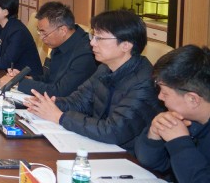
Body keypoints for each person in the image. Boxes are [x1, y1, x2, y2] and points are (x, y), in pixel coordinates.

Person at [25, 10, 159, 150]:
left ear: (126, 45)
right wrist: (48, 104)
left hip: (126, 155)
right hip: (99, 144)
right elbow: (78, 102)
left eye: (99, 38)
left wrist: (60, 117)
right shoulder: (105, 68)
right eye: (93, 36)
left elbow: (112, 131)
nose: (92, 43)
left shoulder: (143, 82)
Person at [135, 45, 210, 183]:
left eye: (165, 92)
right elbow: (155, 163)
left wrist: (180, 143)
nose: (160, 97)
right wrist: (154, 135)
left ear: (193, 99)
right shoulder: (187, 117)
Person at [0, 2, 96, 97]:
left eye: (44, 33)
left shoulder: (85, 54)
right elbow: (49, 79)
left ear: (63, 30)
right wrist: (24, 78)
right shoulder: (60, 43)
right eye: (39, 32)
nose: (41, 38)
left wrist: (20, 83)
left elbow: (61, 92)